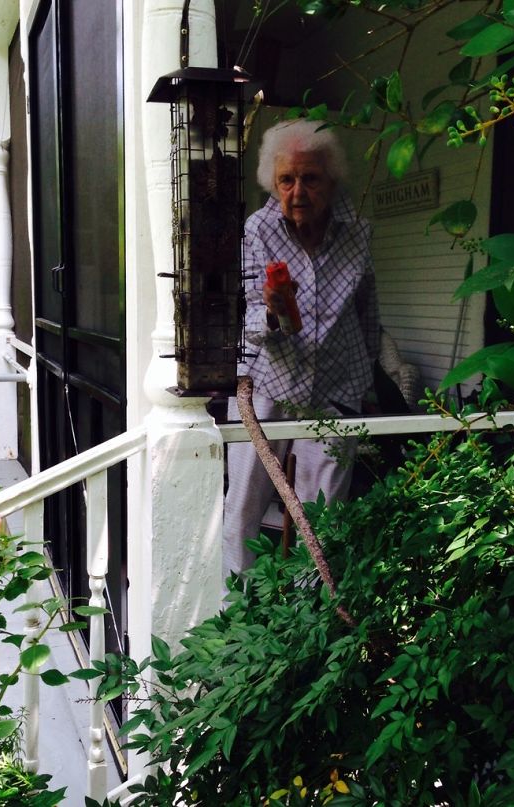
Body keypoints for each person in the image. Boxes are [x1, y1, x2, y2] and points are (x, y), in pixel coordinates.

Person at [223, 118, 381, 587]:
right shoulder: (258, 230)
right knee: (245, 503)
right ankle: (237, 606)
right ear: (273, 182)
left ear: (331, 180)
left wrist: (369, 378)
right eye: (286, 179)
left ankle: (311, 612)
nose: (297, 191)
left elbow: (368, 307)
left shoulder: (357, 231)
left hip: (337, 383)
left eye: (310, 178)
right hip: (268, 379)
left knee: (325, 512)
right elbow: (246, 316)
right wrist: (272, 314)